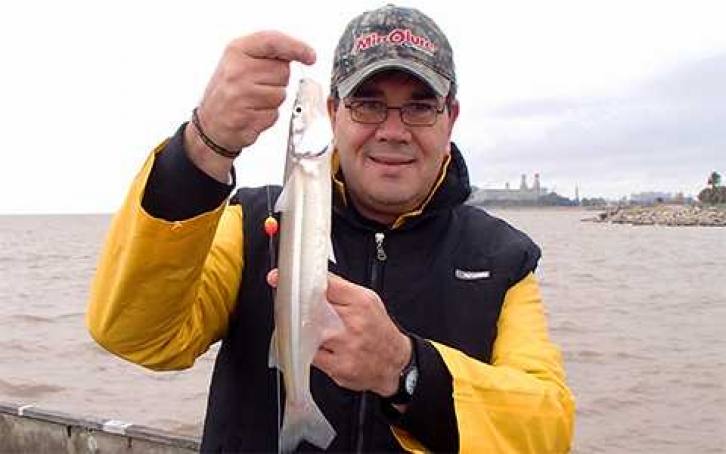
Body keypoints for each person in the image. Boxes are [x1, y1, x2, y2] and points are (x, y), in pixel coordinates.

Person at [87, 4, 575, 452]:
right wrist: (202, 148)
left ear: (450, 119)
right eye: (367, 103)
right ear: (333, 114)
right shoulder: (255, 224)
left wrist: (405, 371)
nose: (393, 130)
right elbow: (136, 335)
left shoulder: (502, 259)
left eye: (421, 106)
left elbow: (547, 429)